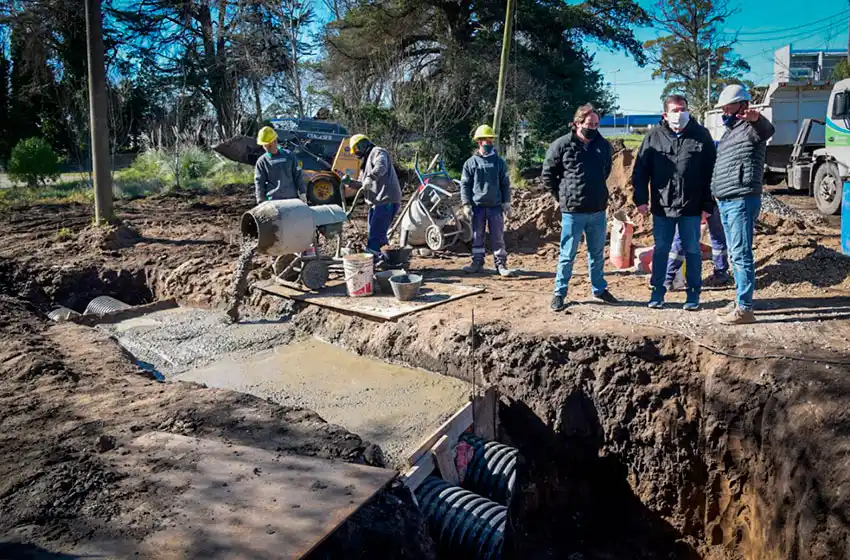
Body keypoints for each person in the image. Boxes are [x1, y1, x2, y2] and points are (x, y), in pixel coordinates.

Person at [633, 94, 716, 311]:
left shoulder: (701, 136)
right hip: (662, 207)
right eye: (675, 110)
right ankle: (657, 293)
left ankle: (693, 295)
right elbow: (640, 170)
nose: (680, 114)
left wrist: (708, 205)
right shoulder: (653, 137)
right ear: (665, 114)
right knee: (661, 249)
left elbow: (711, 173)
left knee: (693, 250)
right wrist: (640, 199)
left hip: (692, 206)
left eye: (683, 109)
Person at [542, 103, 618, 312]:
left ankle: (599, 289)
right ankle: (560, 293)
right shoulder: (562, 145)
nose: (593, 127)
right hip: (573, 211)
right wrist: (562, 197)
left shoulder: (603, 146)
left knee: (596, 254)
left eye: (596, 124)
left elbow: (606, 171)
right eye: (589, 123)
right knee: (568, 254)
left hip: (597, 209)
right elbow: (548, 175)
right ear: (577, 123)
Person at [711, 84, 775, 325]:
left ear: (742, 106)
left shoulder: (752, 127)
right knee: (735, 253)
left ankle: (745, 308)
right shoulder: (730, 132)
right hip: (727, 199)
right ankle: (740, 300)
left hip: (742, 199)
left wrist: (756, 118)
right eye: (723, 107)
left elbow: (767, 130)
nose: (724, 111)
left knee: (741, 253)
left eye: (728, 106)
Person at [459, 124, 515, 277]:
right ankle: (477, 262)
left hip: (495, 206)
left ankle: (501, 264)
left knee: (498, 236)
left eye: (491, 141)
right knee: (477, 236)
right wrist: (466, 204)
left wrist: (507, 202)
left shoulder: (499, 162)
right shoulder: (470, 163)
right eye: (487, 141)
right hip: (478, 207)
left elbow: (505, 183)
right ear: (479, 142)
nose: (490, 144)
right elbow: (465, 185)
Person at [349, 133, 402, 264]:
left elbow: (381, 167)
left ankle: (368, 266)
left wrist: (371, 177)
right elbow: (363, 184)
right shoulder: (365, 162)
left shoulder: (377, 152)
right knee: (379, 235)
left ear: (362, 144)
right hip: (376, 202)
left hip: (386, 199)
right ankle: (389, 261)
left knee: (375, 236)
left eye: (356, 149)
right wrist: (349, 182)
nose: (355, 153)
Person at [664, 206, 730, 290]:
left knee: (681, 238)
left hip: (691, 202)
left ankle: (668, 278)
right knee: (717, 237)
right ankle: (720, 274)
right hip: (708, 201)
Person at [254, 126, 305, 204]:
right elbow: (259, 183)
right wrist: (261, 201)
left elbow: (298, 175)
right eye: (265, 146)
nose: (267, 148)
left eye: (269, 145)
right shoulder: (262, 162)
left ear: (275, 141)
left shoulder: (289, 156)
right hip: (273, 201)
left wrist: (302, 192)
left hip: (291, 199)